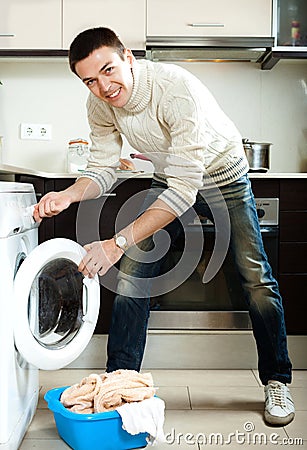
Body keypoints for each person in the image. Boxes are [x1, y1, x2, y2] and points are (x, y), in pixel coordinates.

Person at [34, 27, 295, 426]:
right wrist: (68, 195)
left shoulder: (174, 88)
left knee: (255, 276)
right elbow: (103, 169)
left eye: (108, 70)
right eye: (90, 80)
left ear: (129, 59)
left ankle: (277, 380)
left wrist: (117, 242)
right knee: (133, 276)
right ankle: (119, 385)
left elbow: (184, 192)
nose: (103, 86)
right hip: (173, 177)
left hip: (223, 176)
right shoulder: (99, 104)